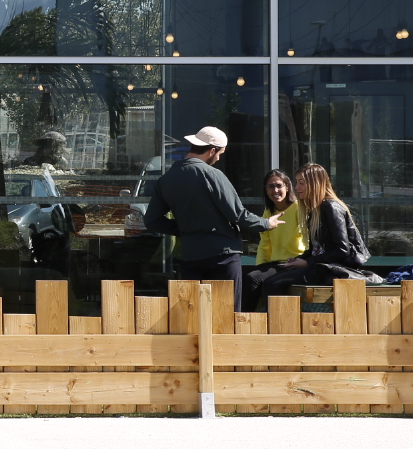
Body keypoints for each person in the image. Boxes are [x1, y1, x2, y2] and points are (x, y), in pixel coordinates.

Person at [142, 126, 281, 312]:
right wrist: (266, 223)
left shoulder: (166, 179)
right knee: (226, 313)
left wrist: (186, 228)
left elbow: (152, 221)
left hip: (190, 256)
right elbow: (237, 214)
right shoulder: (212, 175)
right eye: (220, 154)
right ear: (212, 150)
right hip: (223, 256)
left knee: (191, 315)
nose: (218, 158)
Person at [253, 164, 370, 300]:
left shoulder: (331, 207)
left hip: (333, 268)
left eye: (301, 183)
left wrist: (308, 263)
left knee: (274, 283)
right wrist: (300, 259)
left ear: (315, 184)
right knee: (268, 280)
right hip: (320, 266)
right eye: (297, 183)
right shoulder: (315, 210)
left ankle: (277, 321)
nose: (296, 188)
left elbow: (342, 250)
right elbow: (315, 248)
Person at [242, 169, 305, 311]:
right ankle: (245, 321)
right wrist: (260, 267)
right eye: (270, 186)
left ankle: (246, 320)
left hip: (293, 263)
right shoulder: (269, 212)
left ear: (287, 187)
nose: (275, 190)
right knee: (248, 277)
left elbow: (306, 240)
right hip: (276, 263)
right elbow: (265, 244)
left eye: (279, 186)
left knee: (256, 279)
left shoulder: (299, 208)